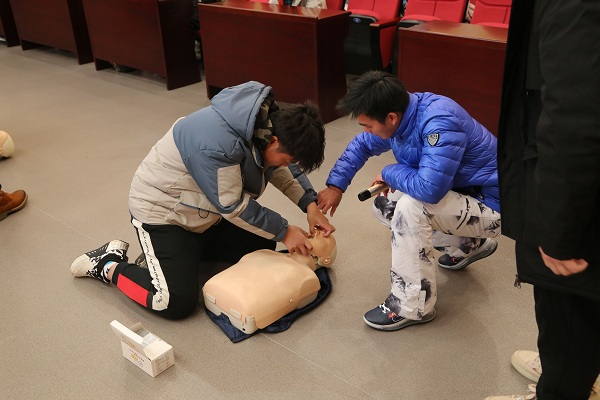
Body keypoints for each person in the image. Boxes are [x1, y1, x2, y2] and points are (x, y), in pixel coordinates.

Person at [70, 80, 335, 320]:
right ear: (274, 141)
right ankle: (107, 264)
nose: (286, 164)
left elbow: (279, 168)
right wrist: (285, 230)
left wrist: (310, 206)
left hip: (201, 212)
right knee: (173, 303)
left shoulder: (262, 126)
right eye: (287, 159)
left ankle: (164, 260)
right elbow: (233, 206)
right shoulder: (218, 143)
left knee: (262, 244)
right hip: (163, 215)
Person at [317, 70, 500, 331]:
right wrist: (336, 185)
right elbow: (362, 145)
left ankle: (412, 305)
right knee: (385, 206)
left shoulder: (439, 122)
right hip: (464, 195)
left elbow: (430, 190)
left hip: (493, 204)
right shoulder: (402, 115)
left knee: (410, 208)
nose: (367, 131)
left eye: (368, 125)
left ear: (391, 118)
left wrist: (389, 172)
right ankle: (467, 244)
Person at [488, 0, 600, 399]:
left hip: (579, 202)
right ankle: (572, 367)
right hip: (579, 184)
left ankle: (563, 380)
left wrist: (557, 229)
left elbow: (577, 110)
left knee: (569, 314)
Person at [203, 229, 337, 334]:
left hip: (239, 307)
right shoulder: (267, 252)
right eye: (313, 233)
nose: (314, 232)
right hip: (230, 299)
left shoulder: (308, 279)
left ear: (325, 259)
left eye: (323, 237)